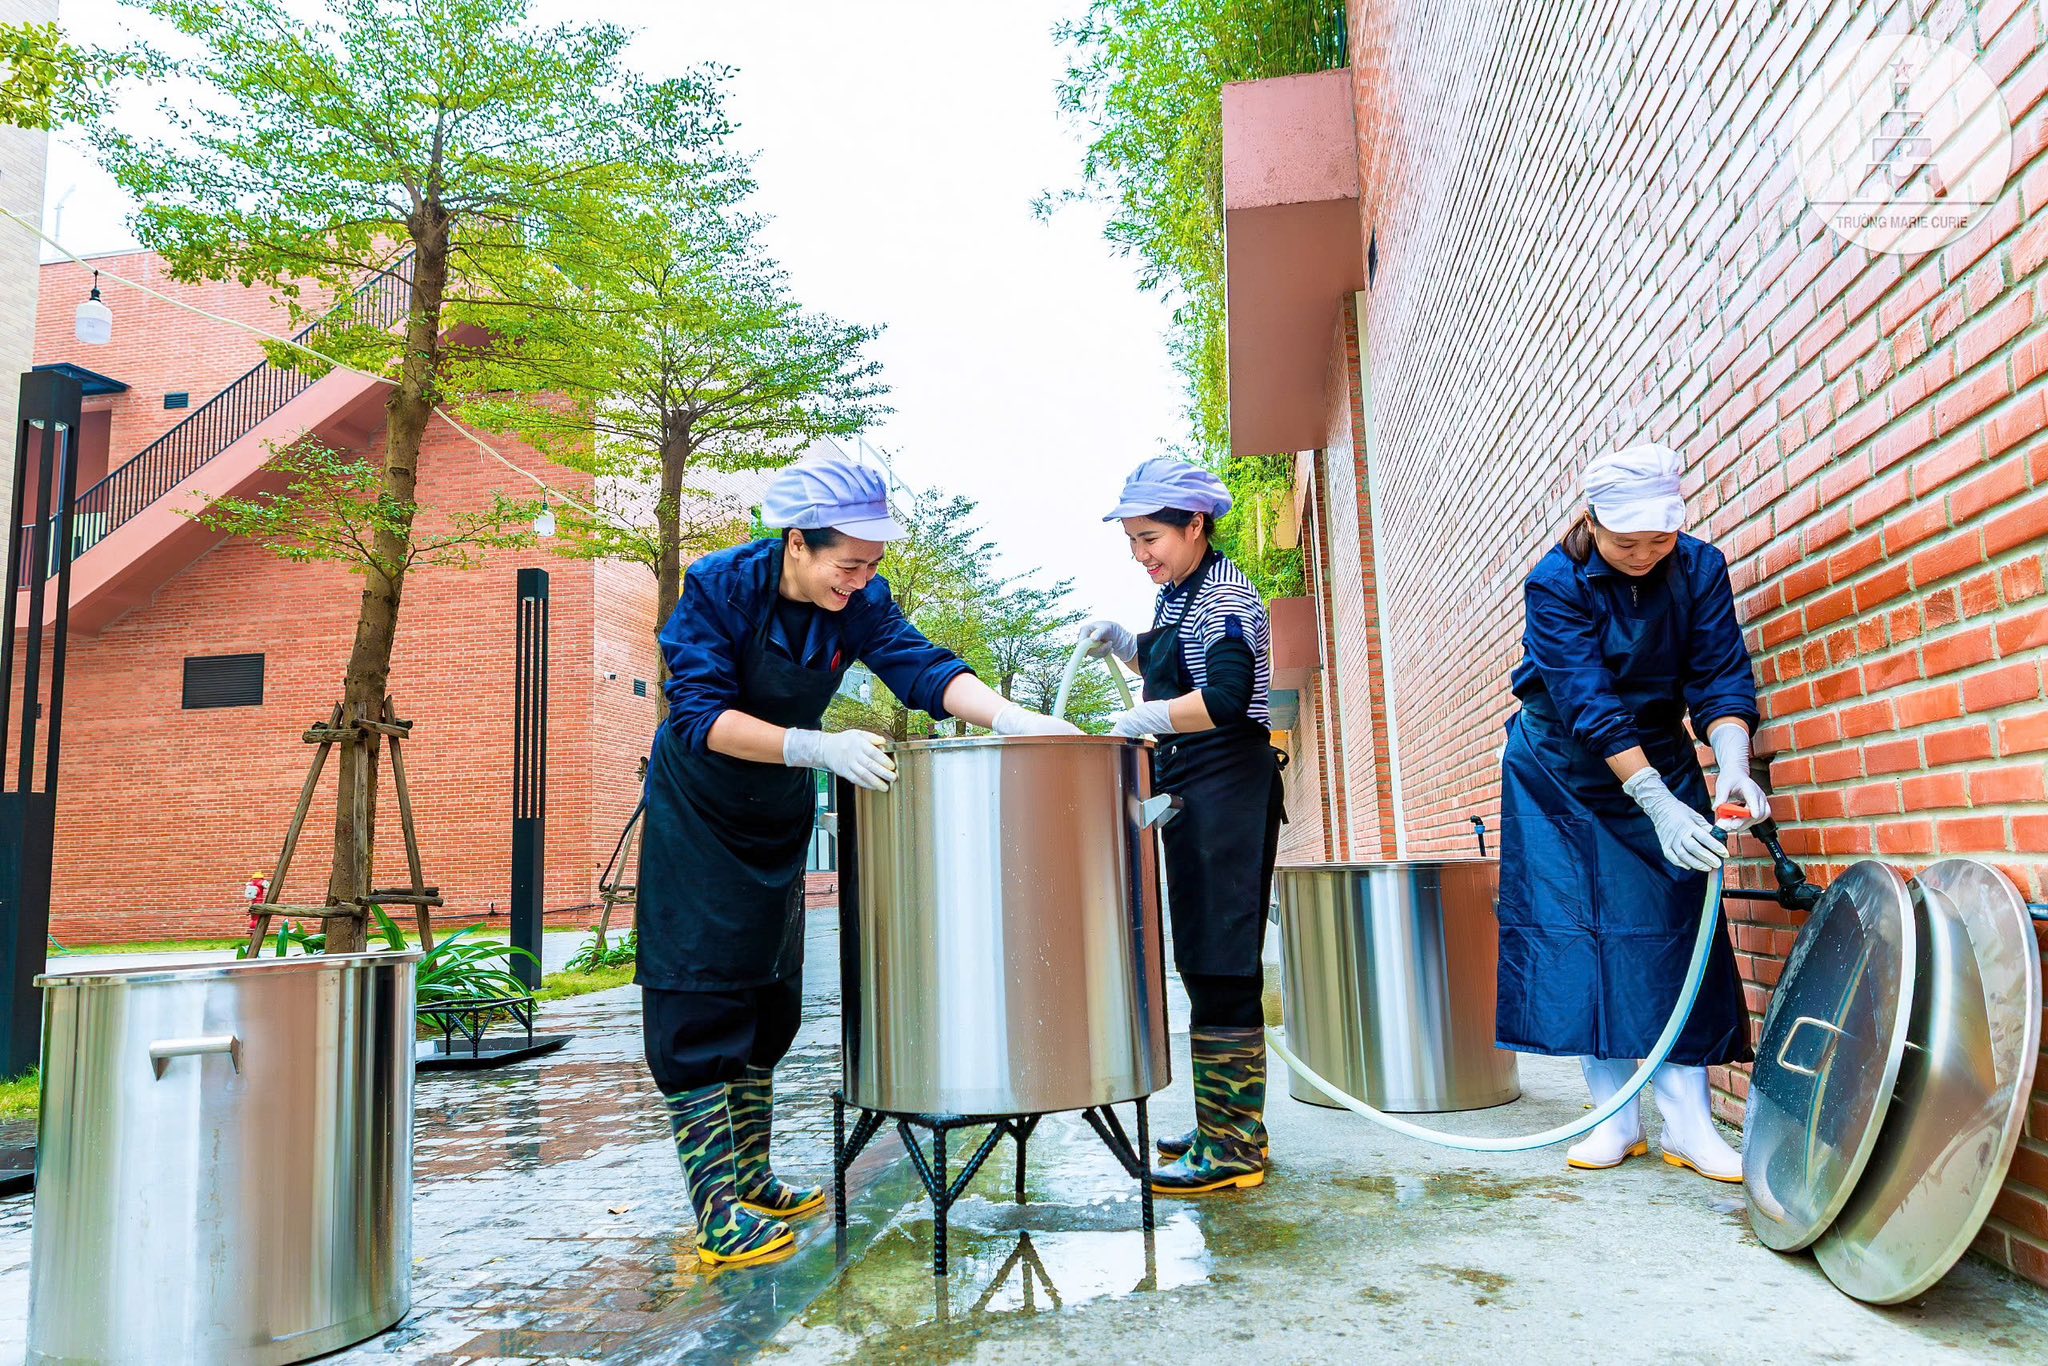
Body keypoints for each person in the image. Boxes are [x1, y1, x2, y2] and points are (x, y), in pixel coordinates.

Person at [640, 455, 1078, 1267]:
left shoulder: (860, 600)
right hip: (700, 813)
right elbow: (698, 715)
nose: (862, 581)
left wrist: (1012, 718)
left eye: (873, 565)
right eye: (849, 564)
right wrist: (813, 745)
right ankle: (717, 1210)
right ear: (797, 543)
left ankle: (753, 1175)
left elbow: (920, 666)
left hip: (773, 812)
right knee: (700, 994)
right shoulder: (720, 587)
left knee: (770, 994)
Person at [1494, 443, 1770, 1183]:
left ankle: (1689, 1124)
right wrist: (1656, 805)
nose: (1645, 555)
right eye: (1627, 542)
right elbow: (1587, 701)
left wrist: (1733, 767)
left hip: (1660, 750)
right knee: (1579, 938)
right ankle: (1613, 1119)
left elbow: (1720, 676)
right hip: (1561, 768)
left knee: (1672, 931)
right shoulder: (1555, 583)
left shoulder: (1700, 568)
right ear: (1591, 522)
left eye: (1660, 539)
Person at [1080, 457, 1285, 1197]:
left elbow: (1225, 697)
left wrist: (1146, 716)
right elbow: (1180, 665)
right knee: (1202, 960)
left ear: (1195, 525)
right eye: (1132, 542)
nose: (1142, 554)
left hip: (1227, 785)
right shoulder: (1179, 596)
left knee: (1223, 962)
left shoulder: (1226, 596)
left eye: (1151, 538)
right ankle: (1227, 1126)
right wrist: (1124, 644)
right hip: (1194, 787)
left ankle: (1234, 1150)